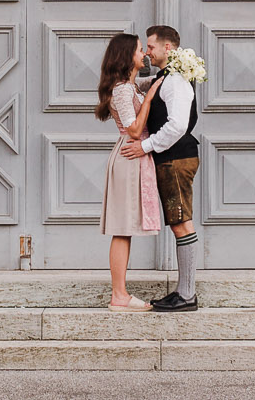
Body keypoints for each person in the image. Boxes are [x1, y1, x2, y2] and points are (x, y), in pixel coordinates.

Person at [123, 24, 200, 312]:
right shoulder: (165, 77)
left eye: (150, 47)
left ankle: (187, 294)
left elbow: (178, 125)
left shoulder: (176, 79)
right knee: (178, 220)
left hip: (176, 160)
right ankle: (184, 291)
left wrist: (144, 146)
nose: (147, 53)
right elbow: (139, 87)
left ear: (168, 48)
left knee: (181, 222)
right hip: (171, 160)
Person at [94, 31, 160, 311]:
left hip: (133, 158)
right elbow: (133, 129)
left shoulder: (130, 86)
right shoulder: (122, 90)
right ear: (127, 57)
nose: (144, 53)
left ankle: (120, 293)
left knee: (126, 229)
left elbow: (157, 80)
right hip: (128, 157)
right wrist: (148, 100)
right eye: (139, 50)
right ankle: (119, 295)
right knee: (122, 229)